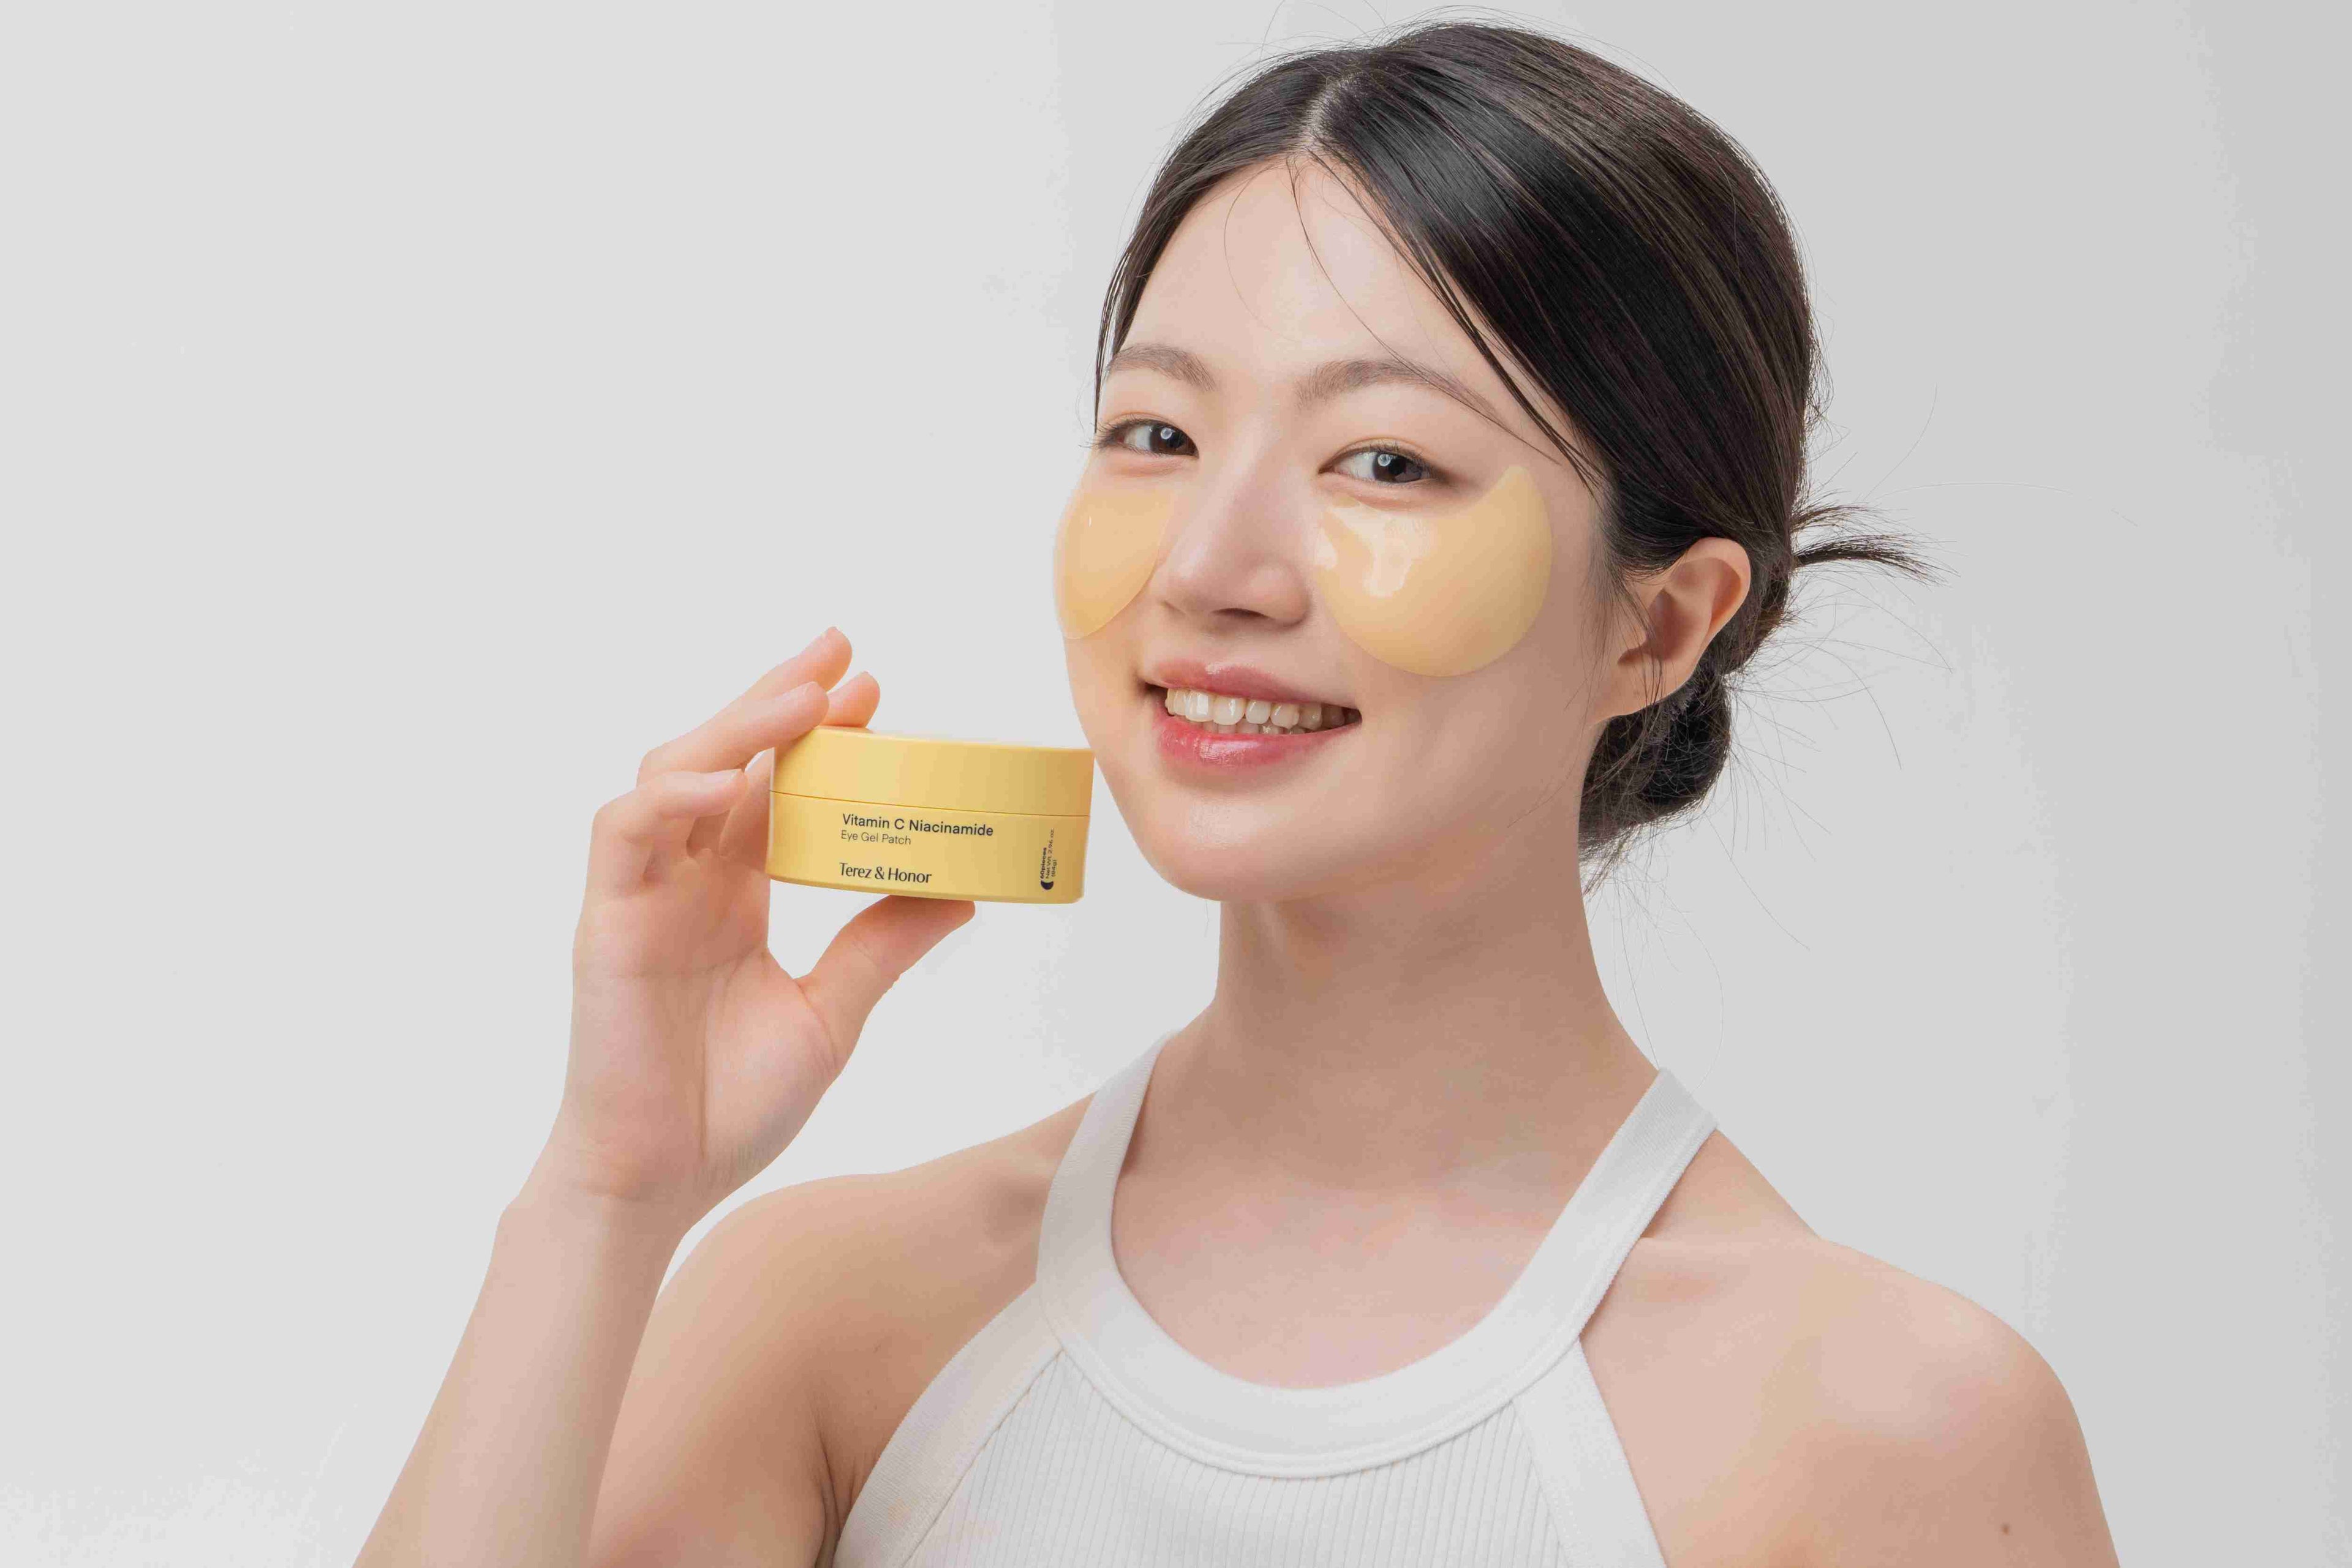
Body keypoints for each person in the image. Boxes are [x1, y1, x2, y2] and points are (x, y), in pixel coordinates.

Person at [358, 20, 2121, 1567]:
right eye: (1158, 434)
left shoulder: (1882, 1426)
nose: (1209, 564)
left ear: (1658, 625)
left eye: (1386, 461)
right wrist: (608, 1192)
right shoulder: (837, 1313)